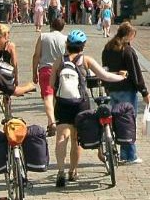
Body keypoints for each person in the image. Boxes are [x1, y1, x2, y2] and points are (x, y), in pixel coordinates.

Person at [51, 30, 125, 186]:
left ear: (67, 45)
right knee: (76, 139)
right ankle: (73, 171)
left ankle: (60, 172)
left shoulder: (59, 61)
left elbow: (52, 85)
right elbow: (105, 76)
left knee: (61, 137)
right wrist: (121, 76)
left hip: (62, 104)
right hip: (80, 104)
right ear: (82, 46)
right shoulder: (86, 60)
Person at [101, 22, 150, 164]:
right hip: (127, 90)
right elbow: (136, 74)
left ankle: (116, 149)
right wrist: (144, 91)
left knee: (117, 120)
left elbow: (104, 69)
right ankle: (129, 154)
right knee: (128, 122)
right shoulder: (127, 51)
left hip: (112, 89)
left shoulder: (108, 48)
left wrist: (106, 85)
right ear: (129, 35)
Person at [32, 17, 68, 132]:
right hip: (61, 70)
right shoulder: (66, 39)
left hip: (46, 69)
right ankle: (51, 121)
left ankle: (51, 122)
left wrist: (34, 72)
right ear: (62, 28)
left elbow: (36, 55)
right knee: (56, 97)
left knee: (48, 97)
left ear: (51, 25)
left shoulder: (43, 37)